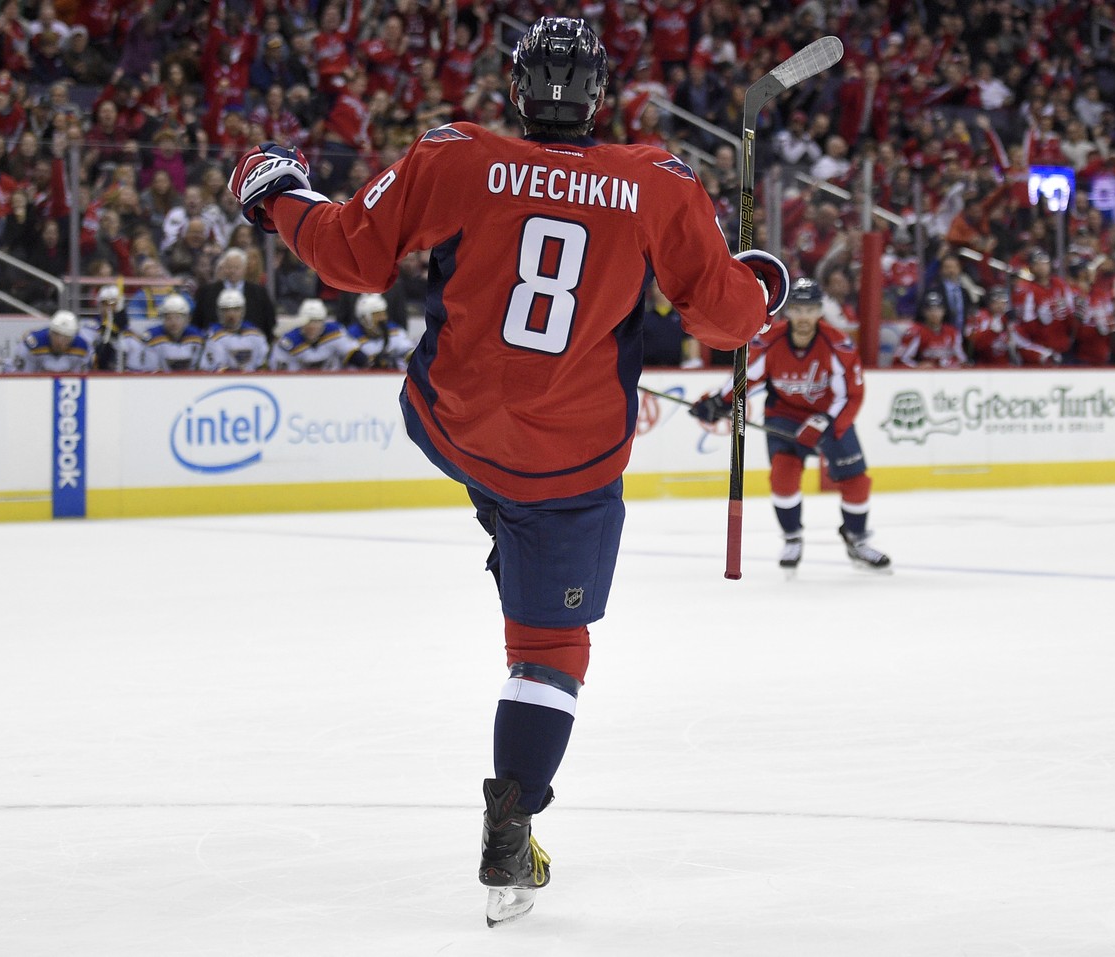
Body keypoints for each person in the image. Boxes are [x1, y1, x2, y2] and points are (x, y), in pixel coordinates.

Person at [228, 16, 788, 925]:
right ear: (600, 97)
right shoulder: (658, 182)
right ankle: (513, 815)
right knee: (547, 650)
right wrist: (765, 284)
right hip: (567, 463)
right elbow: (725, 320)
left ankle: (502, 520)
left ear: (516, 89)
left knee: (499, 483)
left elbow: (350, 255)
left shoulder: (453, 155)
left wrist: (278, 194)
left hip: (446, 422)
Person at [690, 278, 889, 575]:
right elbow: (747, 378)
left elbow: (852, 395)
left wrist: (823, 423)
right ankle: (792, 538)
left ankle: (857, 539)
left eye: (810, 309)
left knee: (856, 482)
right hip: (785, 415)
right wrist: (717, 402)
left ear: (820, 311)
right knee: (783, 476)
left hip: (831, 417)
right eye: (797, 309)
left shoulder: (838, 345)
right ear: (788, 312)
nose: (804, 317)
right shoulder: (770, 341)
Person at [192, 247, 278, 340]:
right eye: (229, 267)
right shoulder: (206, 292)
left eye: (236, 267)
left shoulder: (259, 293)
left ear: (245, 269)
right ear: (223, 268)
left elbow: (269, 322)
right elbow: (198, 322)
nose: (232, 271)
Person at [268, 298, 359, 371]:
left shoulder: (335, 332)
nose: (312, 326)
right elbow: (279, 373)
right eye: (309, 321)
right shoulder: (288, 342)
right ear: (301, 322)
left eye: (317, 321)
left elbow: (358, 357)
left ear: (324, 322)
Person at [201, 289, 270, 372]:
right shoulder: (213, 337)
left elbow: (263, 366)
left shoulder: (256, 335)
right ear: (219, 312)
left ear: (243, 311)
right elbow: (216, 370)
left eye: (236, 309)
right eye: (226, 310)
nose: (231, 314)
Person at [895, 290, 967, 368]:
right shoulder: (915, 333)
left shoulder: (952, 332)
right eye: (930, 309)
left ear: (944, 311)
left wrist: (953, 365)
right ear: (924, 312)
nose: (934, 313)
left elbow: (962, 360)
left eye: (938, 309)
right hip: (924, 376)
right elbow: (901, 360)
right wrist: (918, 366)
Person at [7, 309, 92, 373]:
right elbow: (20, 377)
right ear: (50, 332)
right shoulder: (33, 344)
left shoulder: (82, 348)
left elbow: (80, 380)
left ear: (73, 337)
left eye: (66, 337)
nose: (60, 341)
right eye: (56, 334)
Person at [346, 293, 415, 369]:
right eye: (377, 314)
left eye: (384, 313)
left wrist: (392, 361)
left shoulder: (395, 331)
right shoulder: (350, 337)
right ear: (365, 318)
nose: (383, 318)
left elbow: (409, 353)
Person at [139, 293, 206, 372]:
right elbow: (150, 371)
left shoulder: (197, 337)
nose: (173, 323)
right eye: (169, 318)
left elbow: (202, 370)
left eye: (178, 318)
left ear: (187, 319)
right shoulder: (153, 337)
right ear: (163, 319)